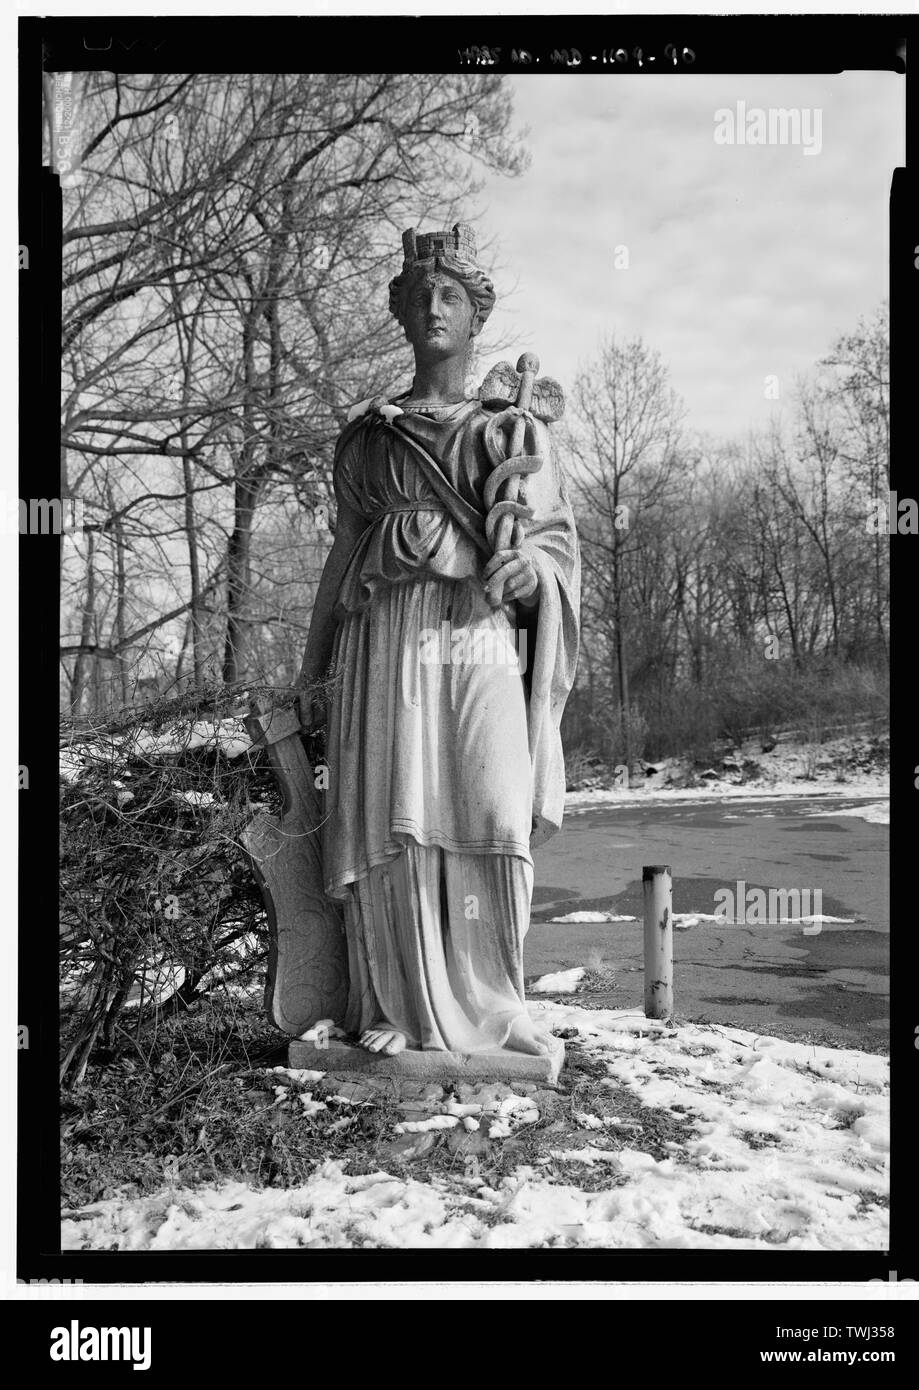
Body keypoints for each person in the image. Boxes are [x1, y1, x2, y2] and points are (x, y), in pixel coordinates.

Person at [295, 222, 579, 1057]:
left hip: (477, 633)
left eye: (449, 294)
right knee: (394, 813)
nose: (431, 308)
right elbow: (341, 556)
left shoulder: (508, 433)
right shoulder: (368, 437)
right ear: (398, 315)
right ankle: (391, 1006)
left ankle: (495, 1003)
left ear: (477, 313)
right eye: (416, 296)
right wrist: (312, 669)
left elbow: (554, 542)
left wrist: (531, 575)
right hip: (383, 637)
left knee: (490, 802)